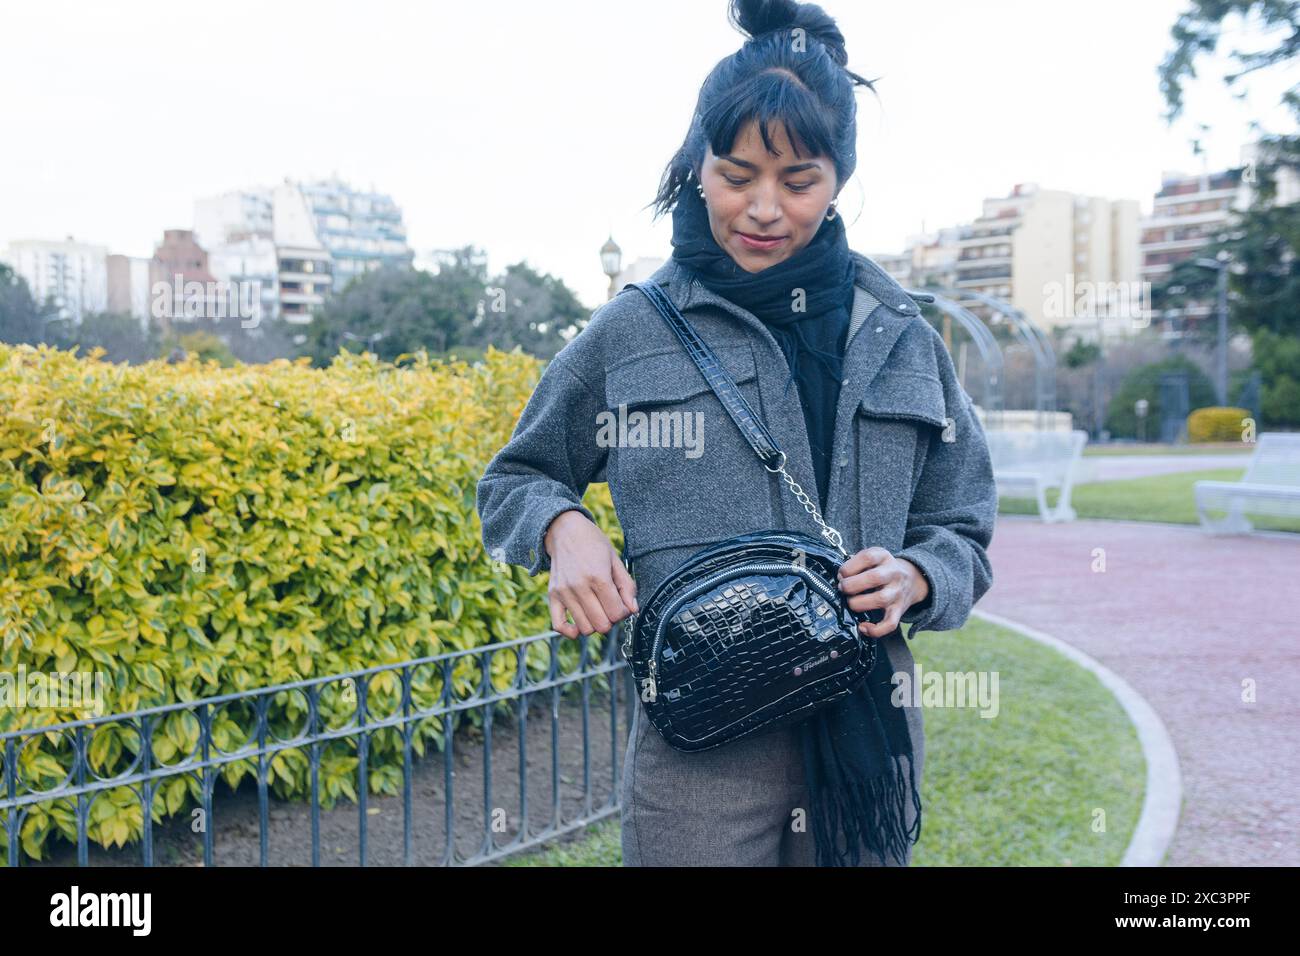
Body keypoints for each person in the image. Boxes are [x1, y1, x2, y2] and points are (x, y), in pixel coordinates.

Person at [476, 0, 997, 866]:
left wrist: (918, 575)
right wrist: (561, 528)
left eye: (798, 181)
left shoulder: (900, 332)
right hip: (699, 754)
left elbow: (965, 529)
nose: (763, 208)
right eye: (735, 173)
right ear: (697, 164)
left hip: (867, 739)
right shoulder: (633, 328)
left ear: (838, 182)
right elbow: (515, 480)